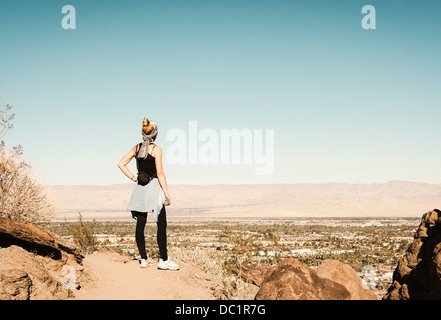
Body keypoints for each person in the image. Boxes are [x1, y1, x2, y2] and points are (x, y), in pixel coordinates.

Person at [118, 117, 179, 270]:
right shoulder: (156, 149)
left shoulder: (136, 148)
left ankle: (144, 259)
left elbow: (121, 164)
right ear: (155, 135)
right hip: (154, 188)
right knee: (161, 225)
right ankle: (163, 260)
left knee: (140, 224)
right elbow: (159, 172)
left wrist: (133, 177)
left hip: (140, 189)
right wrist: (166, 193)